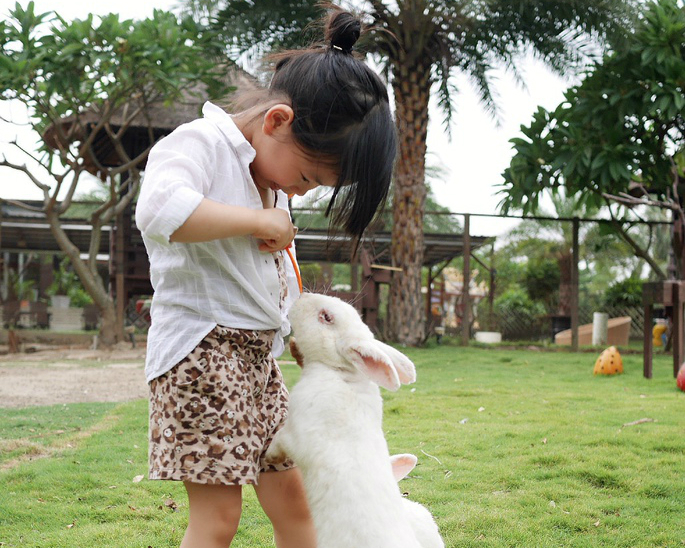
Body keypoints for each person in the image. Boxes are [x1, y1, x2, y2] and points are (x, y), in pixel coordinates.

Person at [135, 6, 397, 548]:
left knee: (295, 506)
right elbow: (158, 210)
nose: (303, 192)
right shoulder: (200, 145)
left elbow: (264, 279)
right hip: (202, 357)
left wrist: (290, 335)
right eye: (307, 177)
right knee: (218, 518)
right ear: (277, 121)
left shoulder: (267, 181)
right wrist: (258, 219)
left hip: (257, 362)